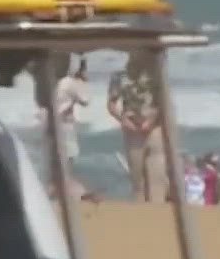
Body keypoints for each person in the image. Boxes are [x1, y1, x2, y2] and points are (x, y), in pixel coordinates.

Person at [106, 52, 167, 201]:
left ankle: (158, 212)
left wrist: (152, 119)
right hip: (132, 127)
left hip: (154, 127)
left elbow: (163, 102)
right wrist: (122, 119)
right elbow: (111, 103)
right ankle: (142, 214)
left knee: (157, 177)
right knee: (137, 178)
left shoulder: (156, 75)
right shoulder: (120, 77)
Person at [43, 56, 92, 200]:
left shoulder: (52, 81)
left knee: (55, 166)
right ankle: (76, 195)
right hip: (64, 126)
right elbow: (85, 100)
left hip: (49, 124)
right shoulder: (69, 83)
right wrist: (82, 82)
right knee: (66, 166)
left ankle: (54, 195)